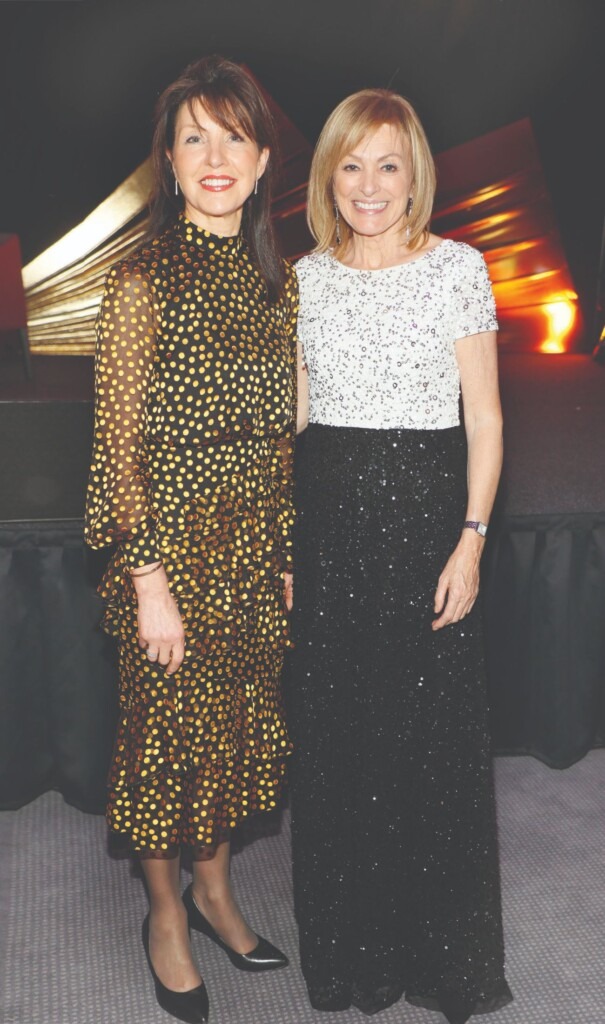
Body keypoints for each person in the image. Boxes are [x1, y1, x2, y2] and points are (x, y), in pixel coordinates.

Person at [289, 89, 513, 1024]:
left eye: (387, 164)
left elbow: (485, 421)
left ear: (415, 174)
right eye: (351, 164)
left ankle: (440, 959)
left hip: (427, 534)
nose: (369, 184)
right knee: (340, 749)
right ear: (327, 177)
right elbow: (296, 424)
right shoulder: (303, 279)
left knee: (428, 750)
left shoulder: (458, 268)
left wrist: (472, 539)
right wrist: (283, 548)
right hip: (330, 538)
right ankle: (355, 960)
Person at [85, 55, 297, 1024]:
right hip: (168, 559)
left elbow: (283, 441)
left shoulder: (278, 285)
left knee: (233, 736)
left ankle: (216, 894)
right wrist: (148, 583)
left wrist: (284, 554)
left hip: (251, 559)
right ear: (167, 163)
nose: (215, 156)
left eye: (233, 137)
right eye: (193, 138)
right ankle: (167, 913)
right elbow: (116, 449)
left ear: (262, 162)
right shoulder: (140, 281)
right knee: (167, 746)